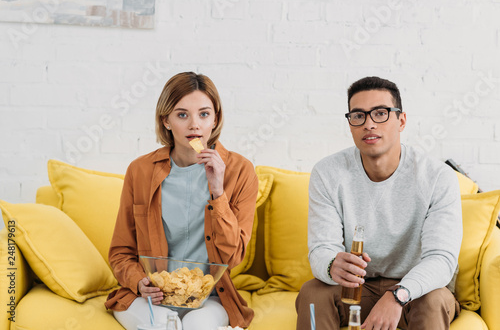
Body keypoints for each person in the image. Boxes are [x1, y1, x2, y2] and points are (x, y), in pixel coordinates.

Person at [295, 76, 463, 330]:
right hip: (356, 288)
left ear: (401, 120)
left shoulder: (437, 177)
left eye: (380, 113)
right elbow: (321, 249)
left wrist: (398, 294)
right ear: (350, 123)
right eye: (358, 116)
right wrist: (331, 266)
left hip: (416, 289)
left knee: (433, 300)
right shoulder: (327, 173)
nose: (369, 124)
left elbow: (441, 259)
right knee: (312, 293)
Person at [105, 72, 258, 330]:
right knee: (166, 326)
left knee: (197, 326)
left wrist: (218, 191)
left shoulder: (240, 171)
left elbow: (233, 257)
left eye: (204, 114)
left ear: (215, 119)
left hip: (210, 298)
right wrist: (139, 282)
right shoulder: (140, 171)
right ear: (166, 120)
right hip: (151, 297)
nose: (194, 125)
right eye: (182, 114)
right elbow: (121, 253)